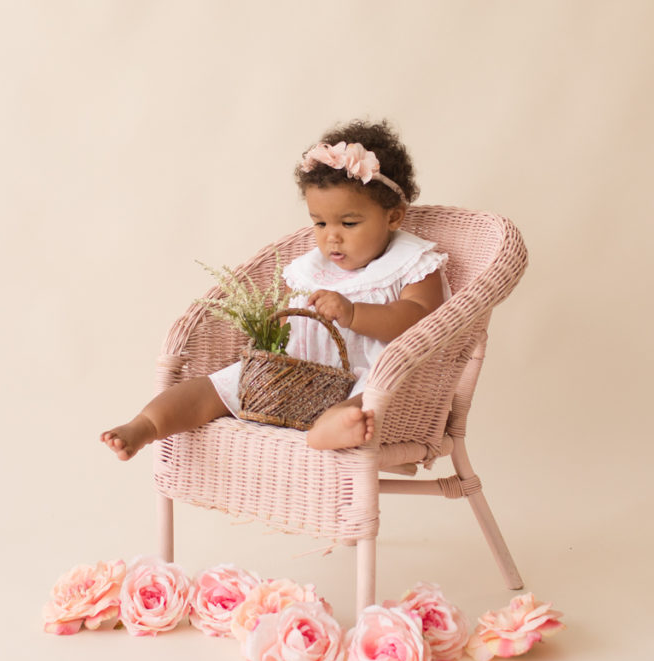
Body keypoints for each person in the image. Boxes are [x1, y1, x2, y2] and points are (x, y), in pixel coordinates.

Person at [101, 119, 448, 461]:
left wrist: (354, 313)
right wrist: (271, 341)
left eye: (349, 223)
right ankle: (145, 425)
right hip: (293, 376)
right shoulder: (312, 268)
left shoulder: (413, 263)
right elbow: (293, 323)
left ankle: (331, 427)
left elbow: (420, 319)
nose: (331, 236)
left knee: (372, 394)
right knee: (219, 385)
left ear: (393, 217)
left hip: (367, 374)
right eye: (320, 222)